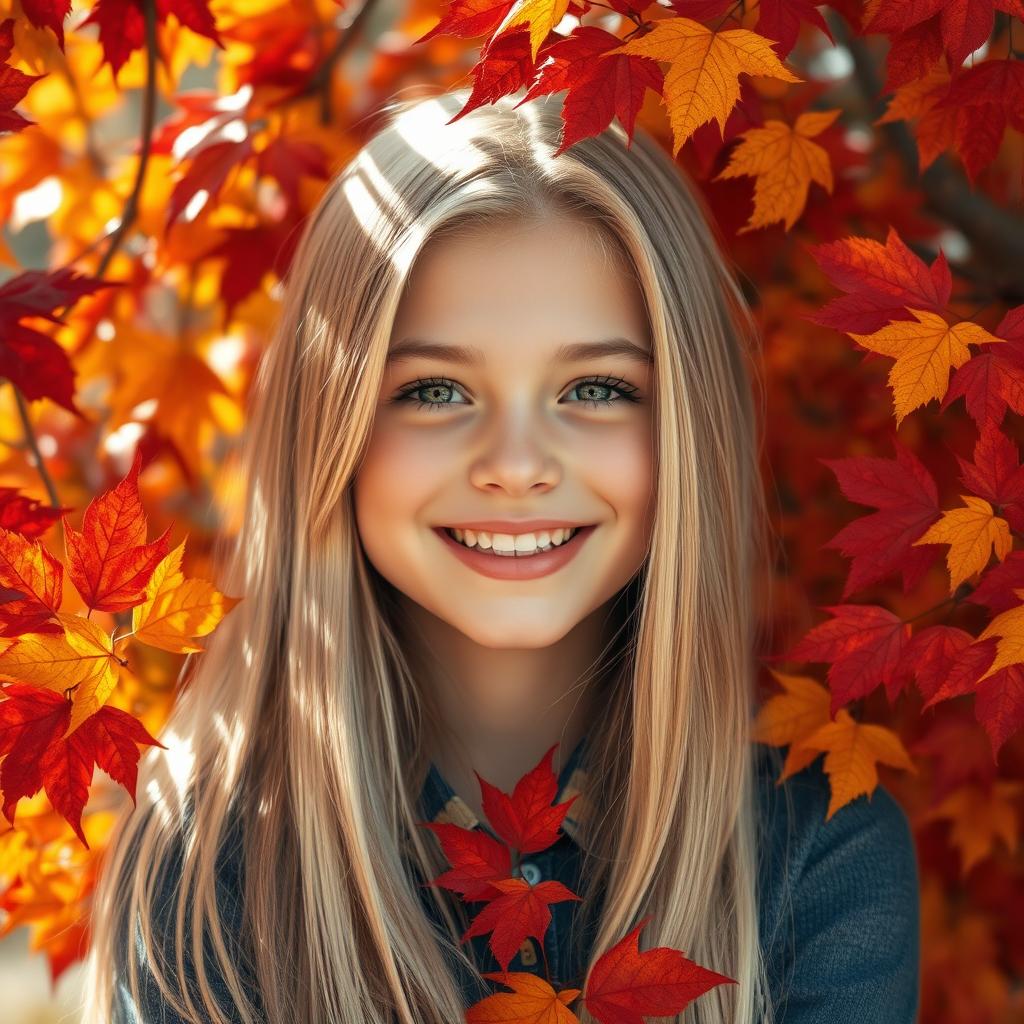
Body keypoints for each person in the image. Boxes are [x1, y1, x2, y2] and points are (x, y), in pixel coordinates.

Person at [78, 86, 920, 1024]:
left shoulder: (820, 851)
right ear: (334, 431)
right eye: (435, 391)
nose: (516, 467)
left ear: (689, 423)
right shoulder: (208, 863)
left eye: (596, 387)